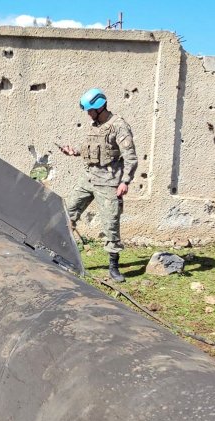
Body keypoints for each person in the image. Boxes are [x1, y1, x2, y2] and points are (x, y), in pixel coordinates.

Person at [59, 88, 138, 283]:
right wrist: (73, 151)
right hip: (88, 178)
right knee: (67, 213)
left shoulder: (118, 126)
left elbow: (131, 158)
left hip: (109, 181)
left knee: (111, 224)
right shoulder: (95, 125)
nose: (87, 114)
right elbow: (92, 150)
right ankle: (61, 254)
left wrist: (125, 181)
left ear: (99, 107)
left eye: (89, 110)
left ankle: (113, 267)